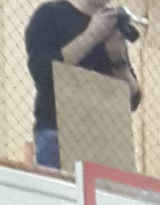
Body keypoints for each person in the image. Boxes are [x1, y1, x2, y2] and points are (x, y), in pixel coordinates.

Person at [25, 0, 141, 171]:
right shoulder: (50, 14)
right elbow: (44, 75)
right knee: (61, 187)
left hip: (106, 140)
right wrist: (91, 36)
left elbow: (132, 100)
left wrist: (119, 61)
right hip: (58, 133)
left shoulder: (112, 26)